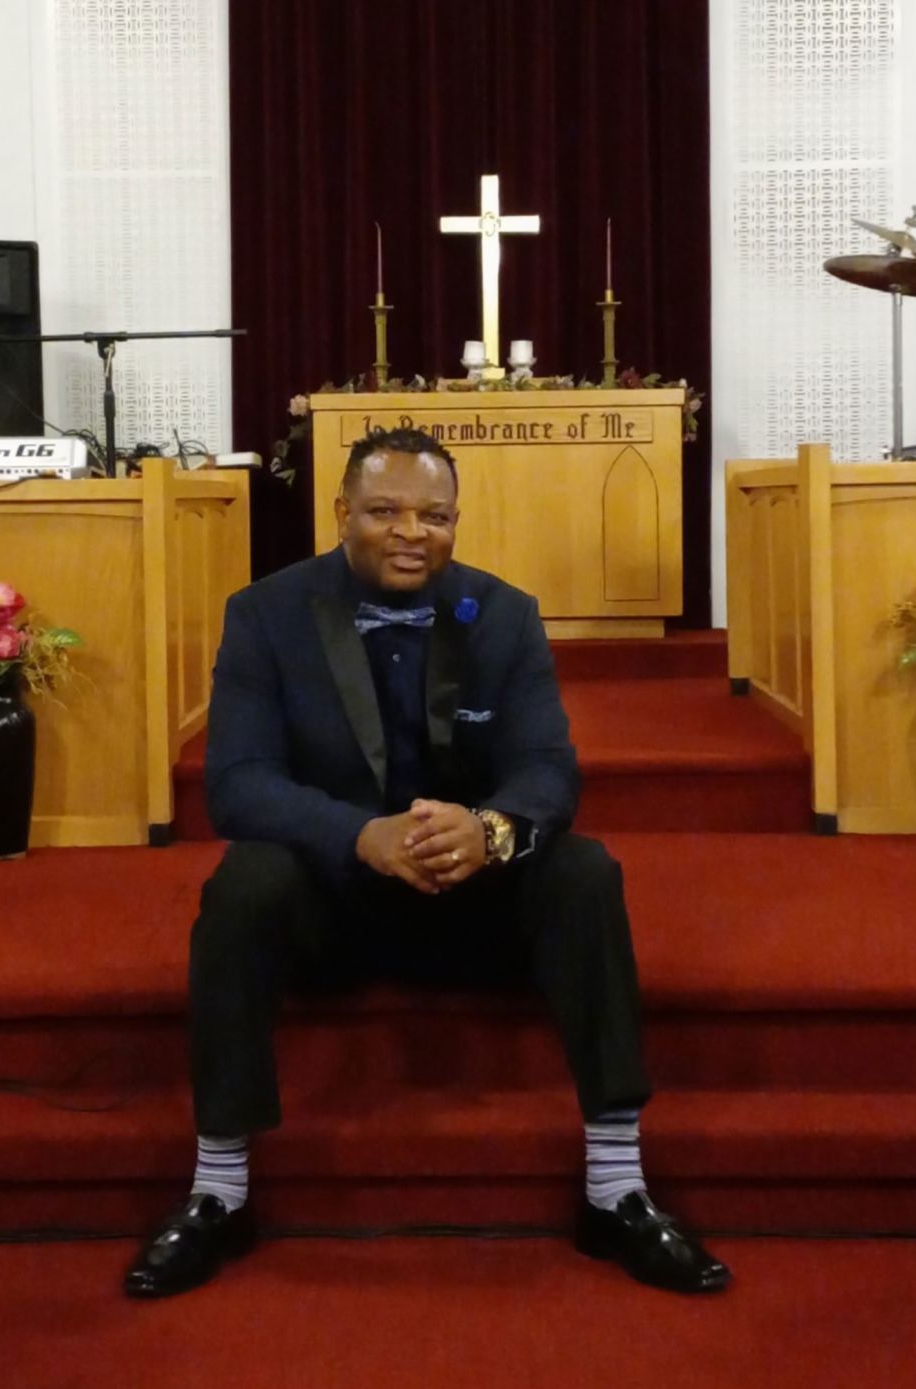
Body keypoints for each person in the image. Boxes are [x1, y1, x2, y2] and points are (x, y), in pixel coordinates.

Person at [123, 426, 730, 1298]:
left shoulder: (505, 612)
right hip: (335, 904)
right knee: (244, 882)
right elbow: (238, 784)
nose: (413, 532)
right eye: (386, 511)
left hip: (472, 902)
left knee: (584, 870)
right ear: (340, 514)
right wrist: (355, 834)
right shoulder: (265, 613)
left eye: (434, 515)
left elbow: (548, 769)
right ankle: (218, 1189)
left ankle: (616, 1187)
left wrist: (489, 830)